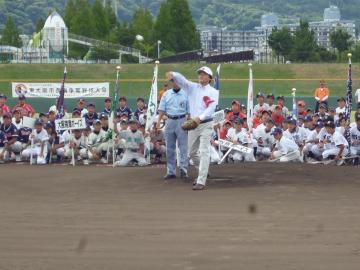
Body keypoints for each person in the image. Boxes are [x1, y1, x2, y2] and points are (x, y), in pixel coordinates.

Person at [167, 66, 219, 190]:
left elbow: (211, 108)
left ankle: (201, 180)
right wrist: (173, 74)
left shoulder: (213, 91)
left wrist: (199, 118)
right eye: (199, 73)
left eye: (204, 74)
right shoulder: (192, 87)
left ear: (209, 78)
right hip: (193, 124)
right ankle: (204, 171)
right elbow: (182, 80)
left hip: (206, 123)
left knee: (205, 151)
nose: (201, 75)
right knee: (191, 152)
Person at [157, 80, 189, 179]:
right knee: (169, 147)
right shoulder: (166, 94)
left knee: (183, 147)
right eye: (173, 82)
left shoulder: (186, 93)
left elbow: (189, 110)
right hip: (169, 120)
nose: (175, 83)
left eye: (177, 81)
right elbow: (162, 109)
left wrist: (189, 120)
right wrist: (158, 121)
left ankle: (184, 170)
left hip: (182, 119)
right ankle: (171, 171)